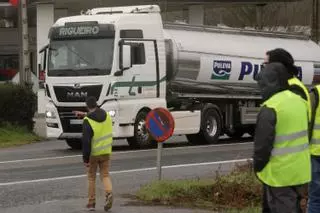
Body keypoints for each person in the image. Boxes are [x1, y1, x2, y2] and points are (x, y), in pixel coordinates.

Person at [253, 62, 311, 213]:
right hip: (300, 171)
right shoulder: (301, 102)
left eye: (262, 85)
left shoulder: (271, 106)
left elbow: (262, 146)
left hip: (279, 175)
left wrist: (258, 168)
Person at [74, 96, 113, 211]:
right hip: (106, 152)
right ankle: (109, 193)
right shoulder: (107, 116)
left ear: (87, 106)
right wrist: (85, 115)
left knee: (91, 178)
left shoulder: (88, 121)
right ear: (96, 105)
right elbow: (97, 119)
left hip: (93, 154)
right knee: (105, 175)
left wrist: (85, 159)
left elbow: (86, 141)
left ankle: (91, 203)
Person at [307, 85, 320, 213]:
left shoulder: (316, 93)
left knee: (315, 198)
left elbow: (307, 121)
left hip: (315, 152)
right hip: (315, 153)